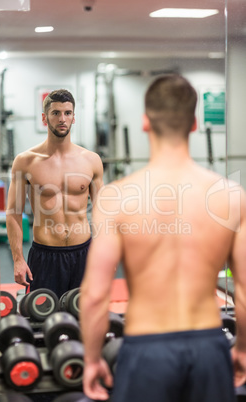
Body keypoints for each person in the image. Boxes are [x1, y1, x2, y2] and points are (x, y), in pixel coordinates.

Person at [80, 74, 246, 402]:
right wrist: (241, 347)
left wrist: (91, 359)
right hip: (209, 347)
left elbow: (96, 294)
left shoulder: (117, 198)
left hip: (146, 350)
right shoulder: (230, 196)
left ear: (144, 122)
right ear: (194, 124)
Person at [6, 89, 103, 298]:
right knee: (42, 321)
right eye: (56, 113)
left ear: (74, 117)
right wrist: (18, 259)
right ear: (44, 117)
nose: (62, 119)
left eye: (68, 113)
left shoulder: (91, 160)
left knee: (86, 321)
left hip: (84, 253)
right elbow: (13, 213)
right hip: (45, 256)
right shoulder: (26, 161)